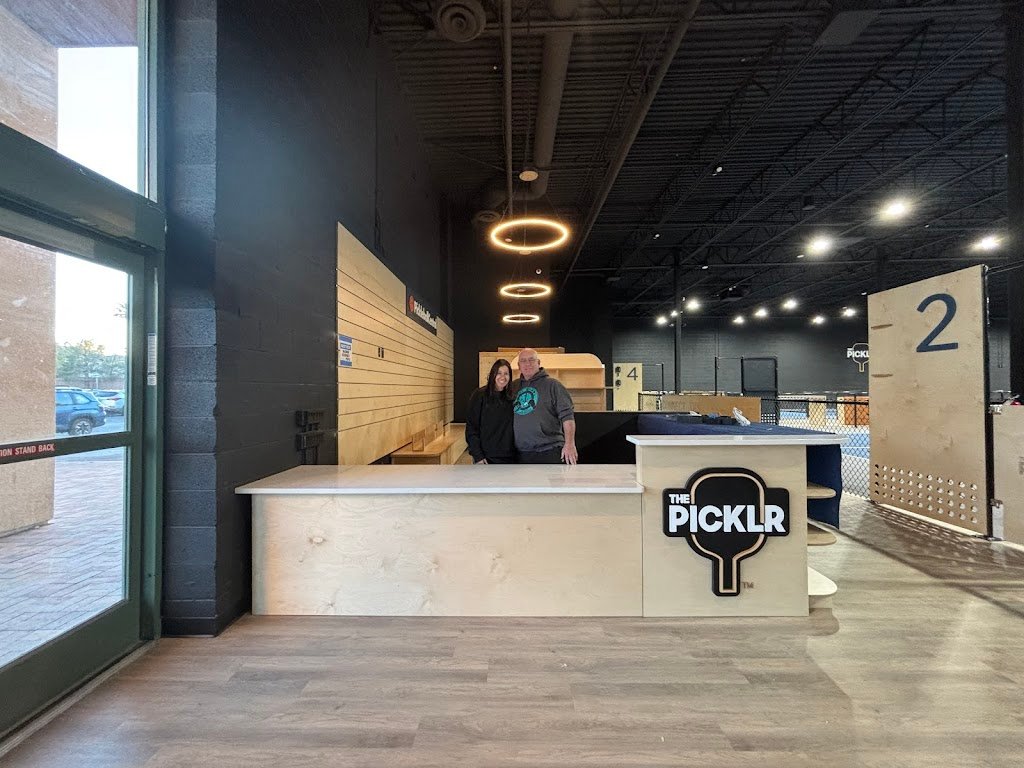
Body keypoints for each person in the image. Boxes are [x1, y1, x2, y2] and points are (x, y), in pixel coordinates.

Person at [510, 348, 577, 465]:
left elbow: (568, 417)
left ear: (538, 363)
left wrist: (570, 444)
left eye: (531, 360)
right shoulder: (513, 387)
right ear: (519, 366)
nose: (527, 364)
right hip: (521, 454)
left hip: (549, 451)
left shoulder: (553, 385)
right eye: (523, 361)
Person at [465, 358, 516, 464]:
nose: (502, 377)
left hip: (510, 457)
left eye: (506, 373)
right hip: (486, 458)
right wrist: (478, 455)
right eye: (499, 373)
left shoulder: (512, 397)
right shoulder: (479, 395)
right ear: (493, 374)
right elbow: (471, 428)